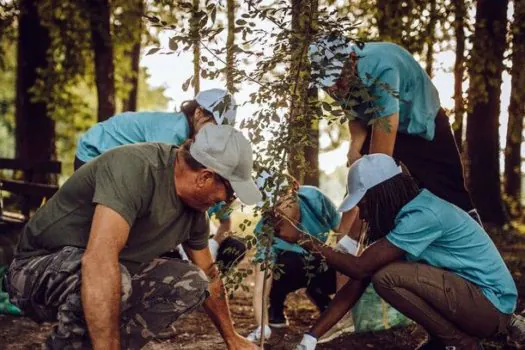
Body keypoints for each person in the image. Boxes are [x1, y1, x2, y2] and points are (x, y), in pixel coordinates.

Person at [3, 125, 262, 350]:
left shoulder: (195, 213)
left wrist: (232, 338)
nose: (226, 202)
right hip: (32, 273)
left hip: (103, 275)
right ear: (205, 177)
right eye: (229, 194)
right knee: (116, 277)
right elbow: (99, 261)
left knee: (193, 282)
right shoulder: (136, 168)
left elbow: (210, 274)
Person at [276, 154, 523, 350]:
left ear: (380, 195)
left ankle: (460, 343)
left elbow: (359, 267)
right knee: (383, 272)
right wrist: (310, 338)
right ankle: (444, 340)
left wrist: (302, 238)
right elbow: (357, 280)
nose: (362, 214)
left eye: (363, 204)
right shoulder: (405, 218)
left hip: (490, 307)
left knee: (388, 277)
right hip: (476, 303)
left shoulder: (422, 215)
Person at [308, 34, 480, 222]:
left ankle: (473, 234)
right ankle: (359, 240)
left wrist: (374, 179)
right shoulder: (336, 83)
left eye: (337, 78)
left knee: (446, 188)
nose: (333, 87)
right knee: (361, 180)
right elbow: (356, 116)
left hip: (420, 121)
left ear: (351, 59)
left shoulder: (382, 67)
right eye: (327, 82)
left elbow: (382, 145)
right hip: (376, 123)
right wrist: (353, 149)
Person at [247, 174, 356, 343]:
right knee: (286, 262)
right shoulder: (266, 229)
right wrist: (262, 325)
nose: (276, 212)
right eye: (269, 209)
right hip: (288, 270)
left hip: (318, 259)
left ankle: (323, 300)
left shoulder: (314, 198)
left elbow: (341, 231)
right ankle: (276, 306)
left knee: (333, 261)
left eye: (279, 203)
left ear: (294, 188)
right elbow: (260, 287)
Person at [74, 88, 236, 170]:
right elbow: (161, 174)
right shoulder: (172, 132)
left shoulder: (184, 130)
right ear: (199, 113)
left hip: (110, 156)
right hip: (93, 153)